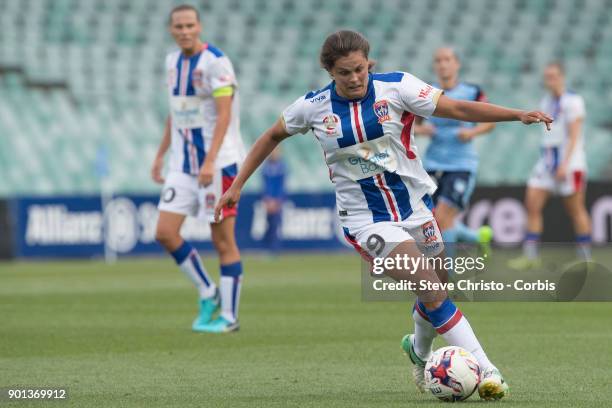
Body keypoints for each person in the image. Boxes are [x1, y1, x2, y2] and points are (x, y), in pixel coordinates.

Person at [214, 30, 552, 399]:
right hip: (366, 220)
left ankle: (419, 352)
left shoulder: (398, 88)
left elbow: (456, 109)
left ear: (368, 63)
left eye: (359, 69)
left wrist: (515, 114)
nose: (355, 78)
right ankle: (488, 369)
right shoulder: (313, 107)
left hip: (414, 208)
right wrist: (236, 186)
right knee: (429, 285)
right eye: (345, 72)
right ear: (330, 72)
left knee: (437, 287)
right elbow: (270, 136)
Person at [151, 4, 245, 333]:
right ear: (171, 30)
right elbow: (176, 112)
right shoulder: (171, 62)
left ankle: (230, 317)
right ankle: (208, 290)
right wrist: (160, 155)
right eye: (178, 26)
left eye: (190, 25)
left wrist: (209, 161)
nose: (184, 31)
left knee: (222, 242)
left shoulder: (215, 62)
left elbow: (224, 115)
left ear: (199, 26)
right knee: (164, 231)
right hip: (182, 164)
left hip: (217, 164)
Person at [509, 62, 591, 270]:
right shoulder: (546, 101)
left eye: (553, 76)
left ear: (562, 77)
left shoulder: (573, 101)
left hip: (571, 164)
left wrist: (565, 163)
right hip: (546, 163)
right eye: (547, 77)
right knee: (532, 203)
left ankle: (585, 258)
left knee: (575, 209)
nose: (550, 81)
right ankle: (530, 256)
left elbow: (574, 135)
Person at [415, 47, 494, 257]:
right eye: (438, 60)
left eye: (447, 59)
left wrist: (472, 132)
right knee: (433, 220)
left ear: (456, 64)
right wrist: (423, 129)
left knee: (442, 217)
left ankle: (445, 277)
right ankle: (477, 238)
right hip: (433, 163)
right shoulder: (427, 93)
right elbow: (413, 125)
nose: (443, 64)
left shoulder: (471, 91)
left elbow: (490, 122)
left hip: (461, 165)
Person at [261, 147, 287, 255]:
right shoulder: (266, 167)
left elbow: (281, 185)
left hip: (277, 201)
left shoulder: (282, 167)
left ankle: (274, 249)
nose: (274, 154)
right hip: (268, 201)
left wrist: (278, 200)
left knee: (276, 224)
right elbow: (265, 185)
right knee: (269, 224)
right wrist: (267, 199)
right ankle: (267, 248)